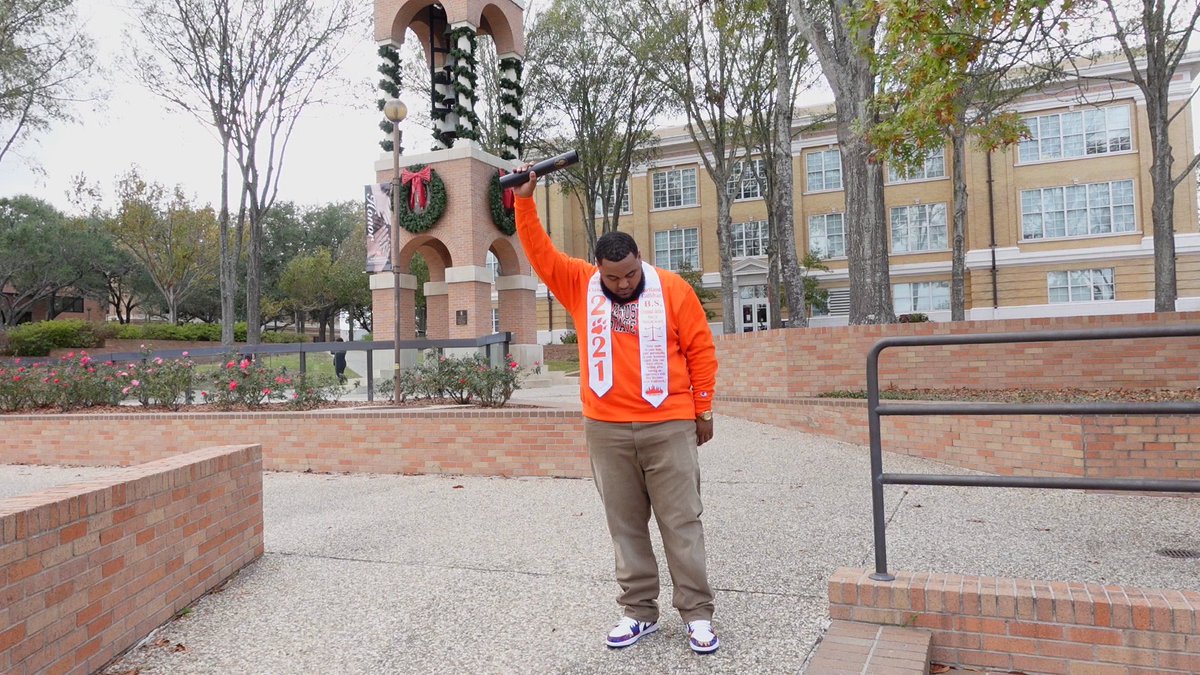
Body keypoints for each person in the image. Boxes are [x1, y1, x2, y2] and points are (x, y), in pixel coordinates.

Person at [513, 167, 720, 654]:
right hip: (605, 428)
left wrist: (703, 410)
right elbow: (539, 253)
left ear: (640, 260)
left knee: (681, 521)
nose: (623, 284)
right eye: (613, 276)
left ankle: (697, 614)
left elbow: (701, 351)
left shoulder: (672, 289)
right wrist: (525, 200)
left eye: (630, 273)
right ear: (598, 268)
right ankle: (638, 611)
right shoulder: (580, 285)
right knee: (625, 525)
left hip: (667, 421)